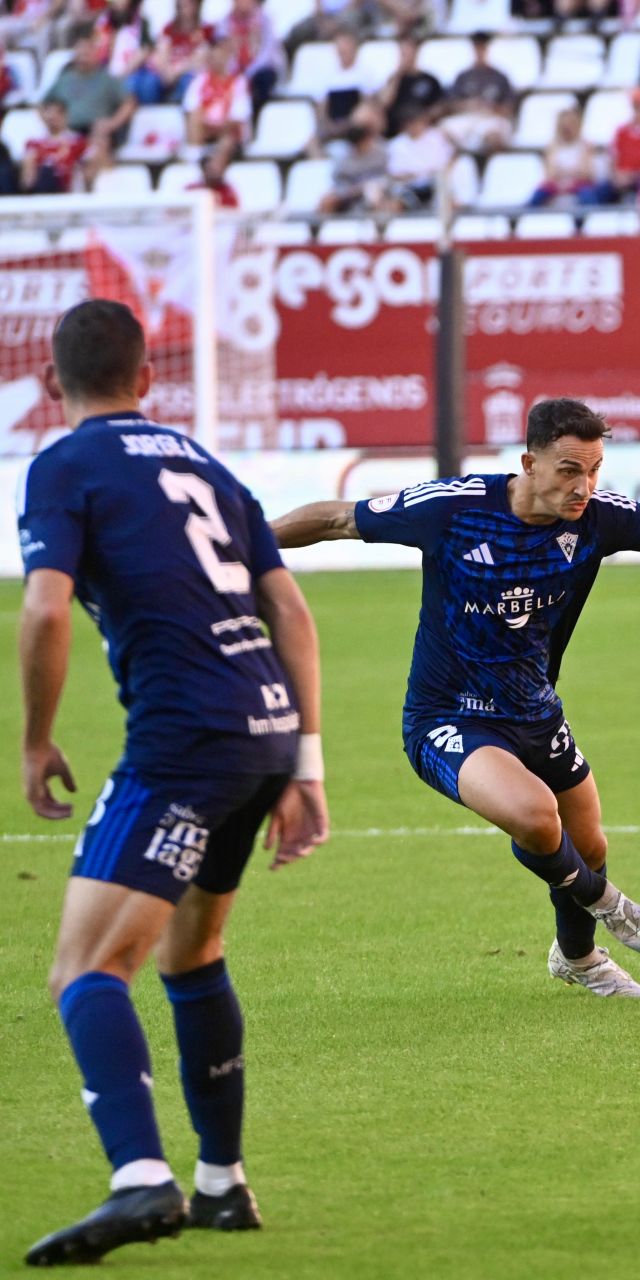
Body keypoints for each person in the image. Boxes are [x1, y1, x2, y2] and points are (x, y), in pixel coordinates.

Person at [270, 400, 640, 999]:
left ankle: (578, 959)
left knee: (589, 842)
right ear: (529, 462)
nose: (584, 486)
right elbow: (336, 520)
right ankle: (607, 903)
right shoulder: (451, 509)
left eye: (595, 469)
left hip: (535, 712)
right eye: (568, 470)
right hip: (446, 719)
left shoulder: (600, 518)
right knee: (533, 816)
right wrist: (245, 545)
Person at [18, 299, 330, 1265]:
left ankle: (139, 1181)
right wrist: (305, 763)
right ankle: (222, 1186)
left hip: (184, 739)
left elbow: (42, 610)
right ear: (149, 378)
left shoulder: (62, 465)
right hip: (266, 729)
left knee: (84, 969)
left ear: (49, 387)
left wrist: (34, 741)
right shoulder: (202, 460)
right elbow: (292, 608)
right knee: (191, 956)